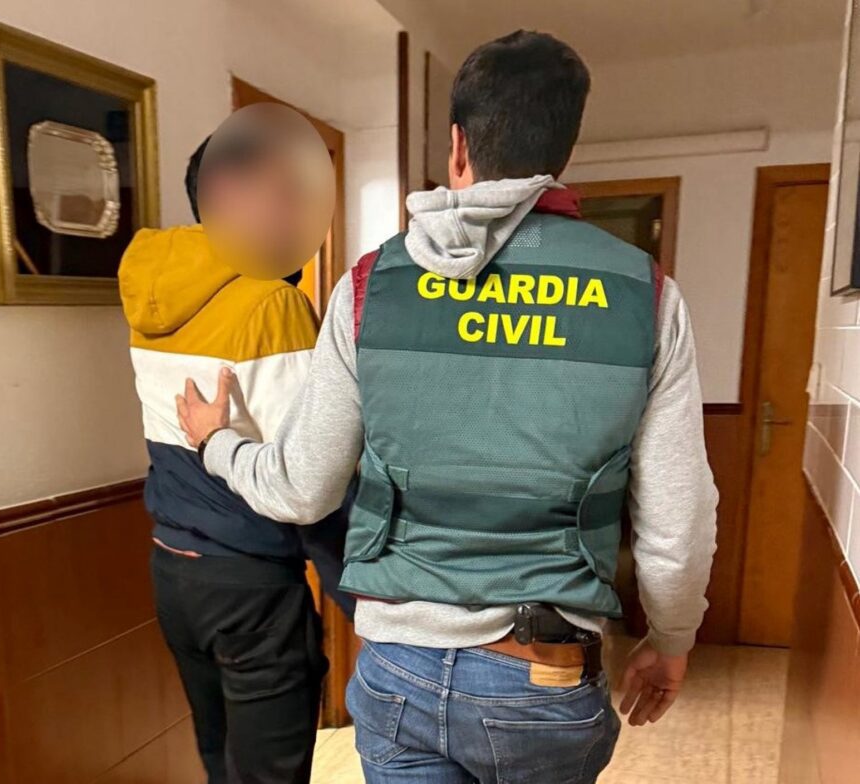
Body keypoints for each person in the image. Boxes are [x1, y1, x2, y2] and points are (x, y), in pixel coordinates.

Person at [176, 30, 718, 784]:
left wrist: (217, 441)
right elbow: (677, 521)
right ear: (562, 150)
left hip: (399, 670)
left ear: (458, 146)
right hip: (543, 673)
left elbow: (301, 489)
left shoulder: (370, 286)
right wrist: (672, 637)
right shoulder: (644, 294)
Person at [118, 136, 353, 784]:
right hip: (251, 587)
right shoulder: (271, 302)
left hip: (175, 572)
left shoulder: (153, 293)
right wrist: (365, 601)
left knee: (222, 764)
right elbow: (308, 479)